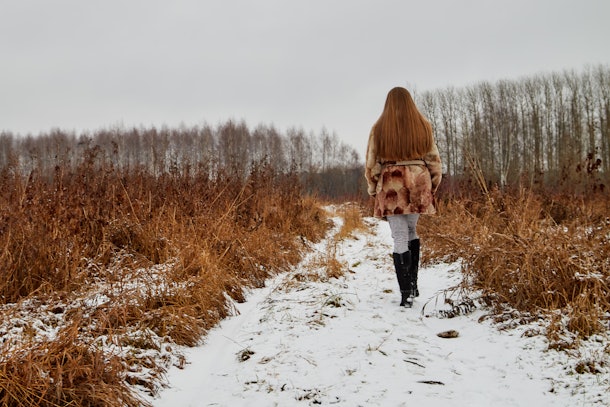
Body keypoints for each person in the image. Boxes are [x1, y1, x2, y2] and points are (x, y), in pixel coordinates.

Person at [364, 87, 442, 307]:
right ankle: (413, 284)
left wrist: (373, 187)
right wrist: (432, 186)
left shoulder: (379, 129)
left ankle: (406, 292)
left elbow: (372, 164)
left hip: (392, 184)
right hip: (419, 181)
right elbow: (434, 160)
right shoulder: (423, 126)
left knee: (399, 234)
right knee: (410, 230)